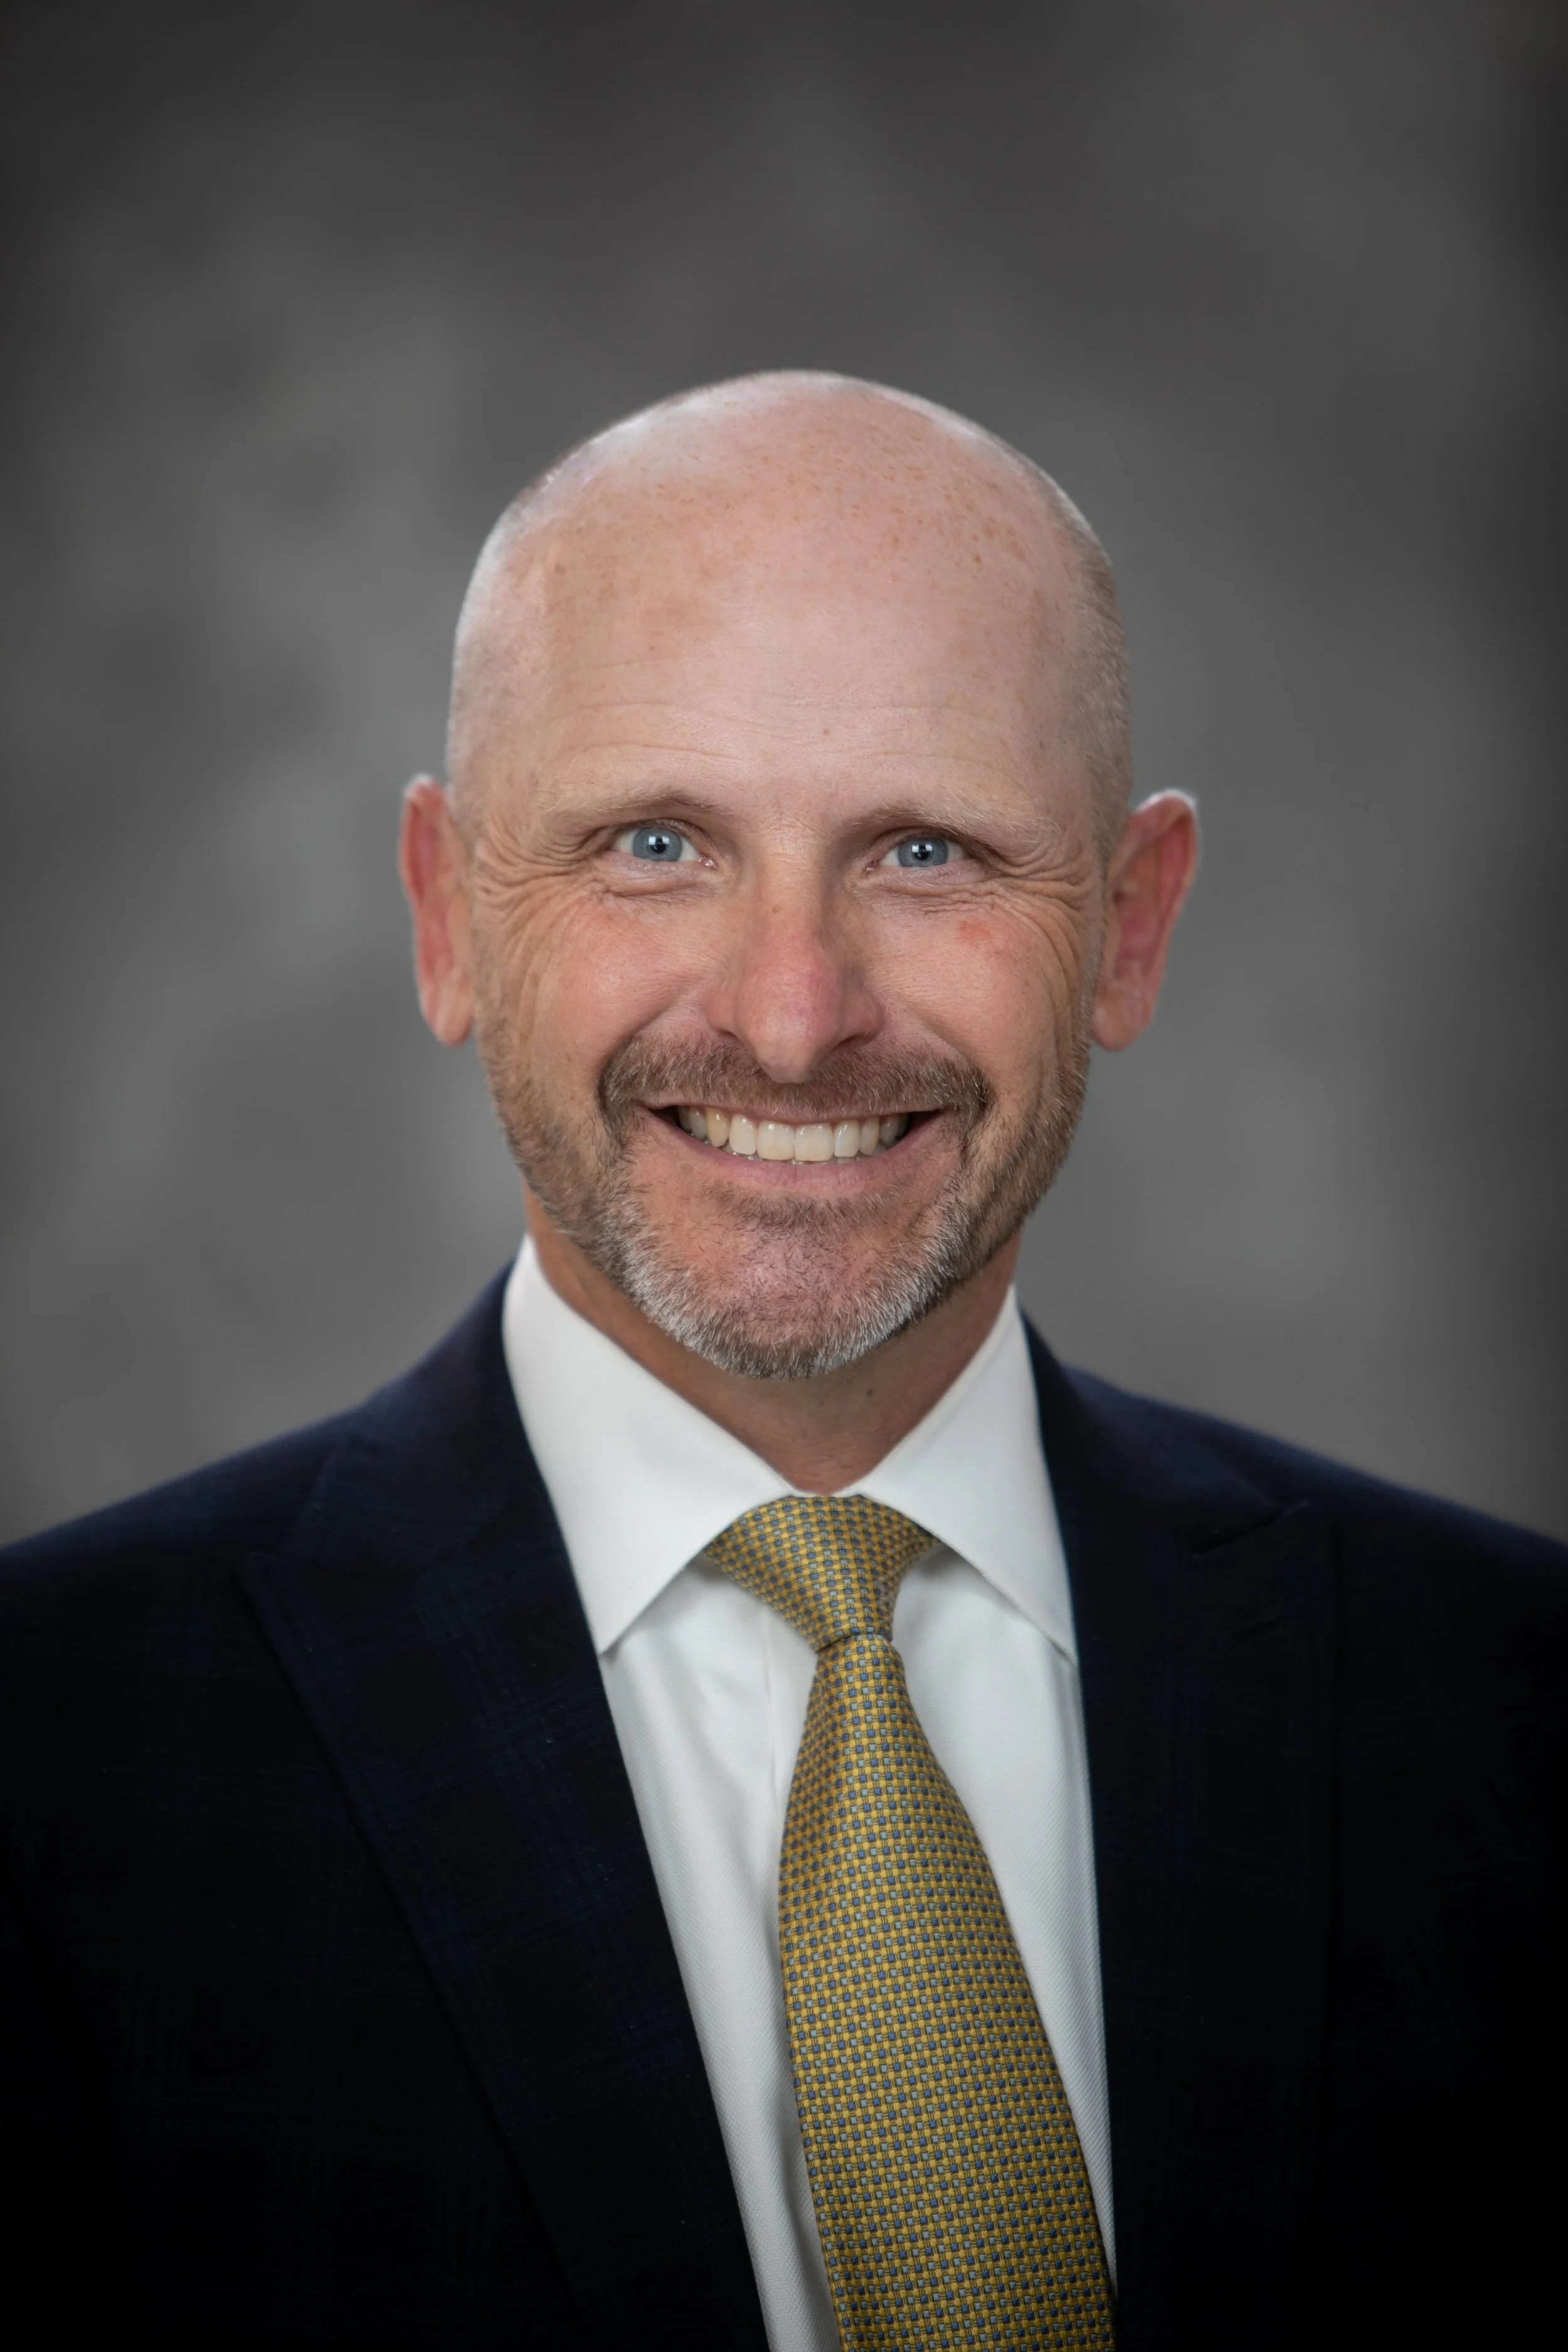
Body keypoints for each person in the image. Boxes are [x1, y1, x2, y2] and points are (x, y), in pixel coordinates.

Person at [1, 373, 1561, 2352]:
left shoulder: (1511, 1714)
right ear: (448, 916)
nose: (794, 1015)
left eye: (927, 852)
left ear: (1129, 927)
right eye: (656, 842)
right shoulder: (55, 1768)